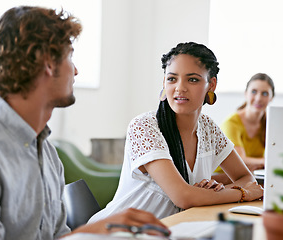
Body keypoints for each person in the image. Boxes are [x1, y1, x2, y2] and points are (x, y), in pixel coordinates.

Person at [0, 6, 169, 240]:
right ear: (48, 63)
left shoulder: (46, 152)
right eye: (70, 56)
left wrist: (103, 230)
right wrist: (92, 231)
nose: (75, 70)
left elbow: (57, 236)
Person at [88, 42, 264, 222]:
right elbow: (183, 197)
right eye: (172, 79)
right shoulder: (144, 126)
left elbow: (246, 177)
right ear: (164, 82)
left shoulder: (208, 128)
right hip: (119, 233)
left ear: (211, 85)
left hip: (172, 230)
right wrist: (241, 193)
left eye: (193, 79)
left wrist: (212, 192)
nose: (180, 88)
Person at [213, 73, 275, 184]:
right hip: (221, 179)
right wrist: (266, 162)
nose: (258, 98)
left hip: (250, 177)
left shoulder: (269, 123)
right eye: (254, 92)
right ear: (246, 94)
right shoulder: (231, 123)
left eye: (265, 93)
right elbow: (239, 160)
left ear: (271, 98)